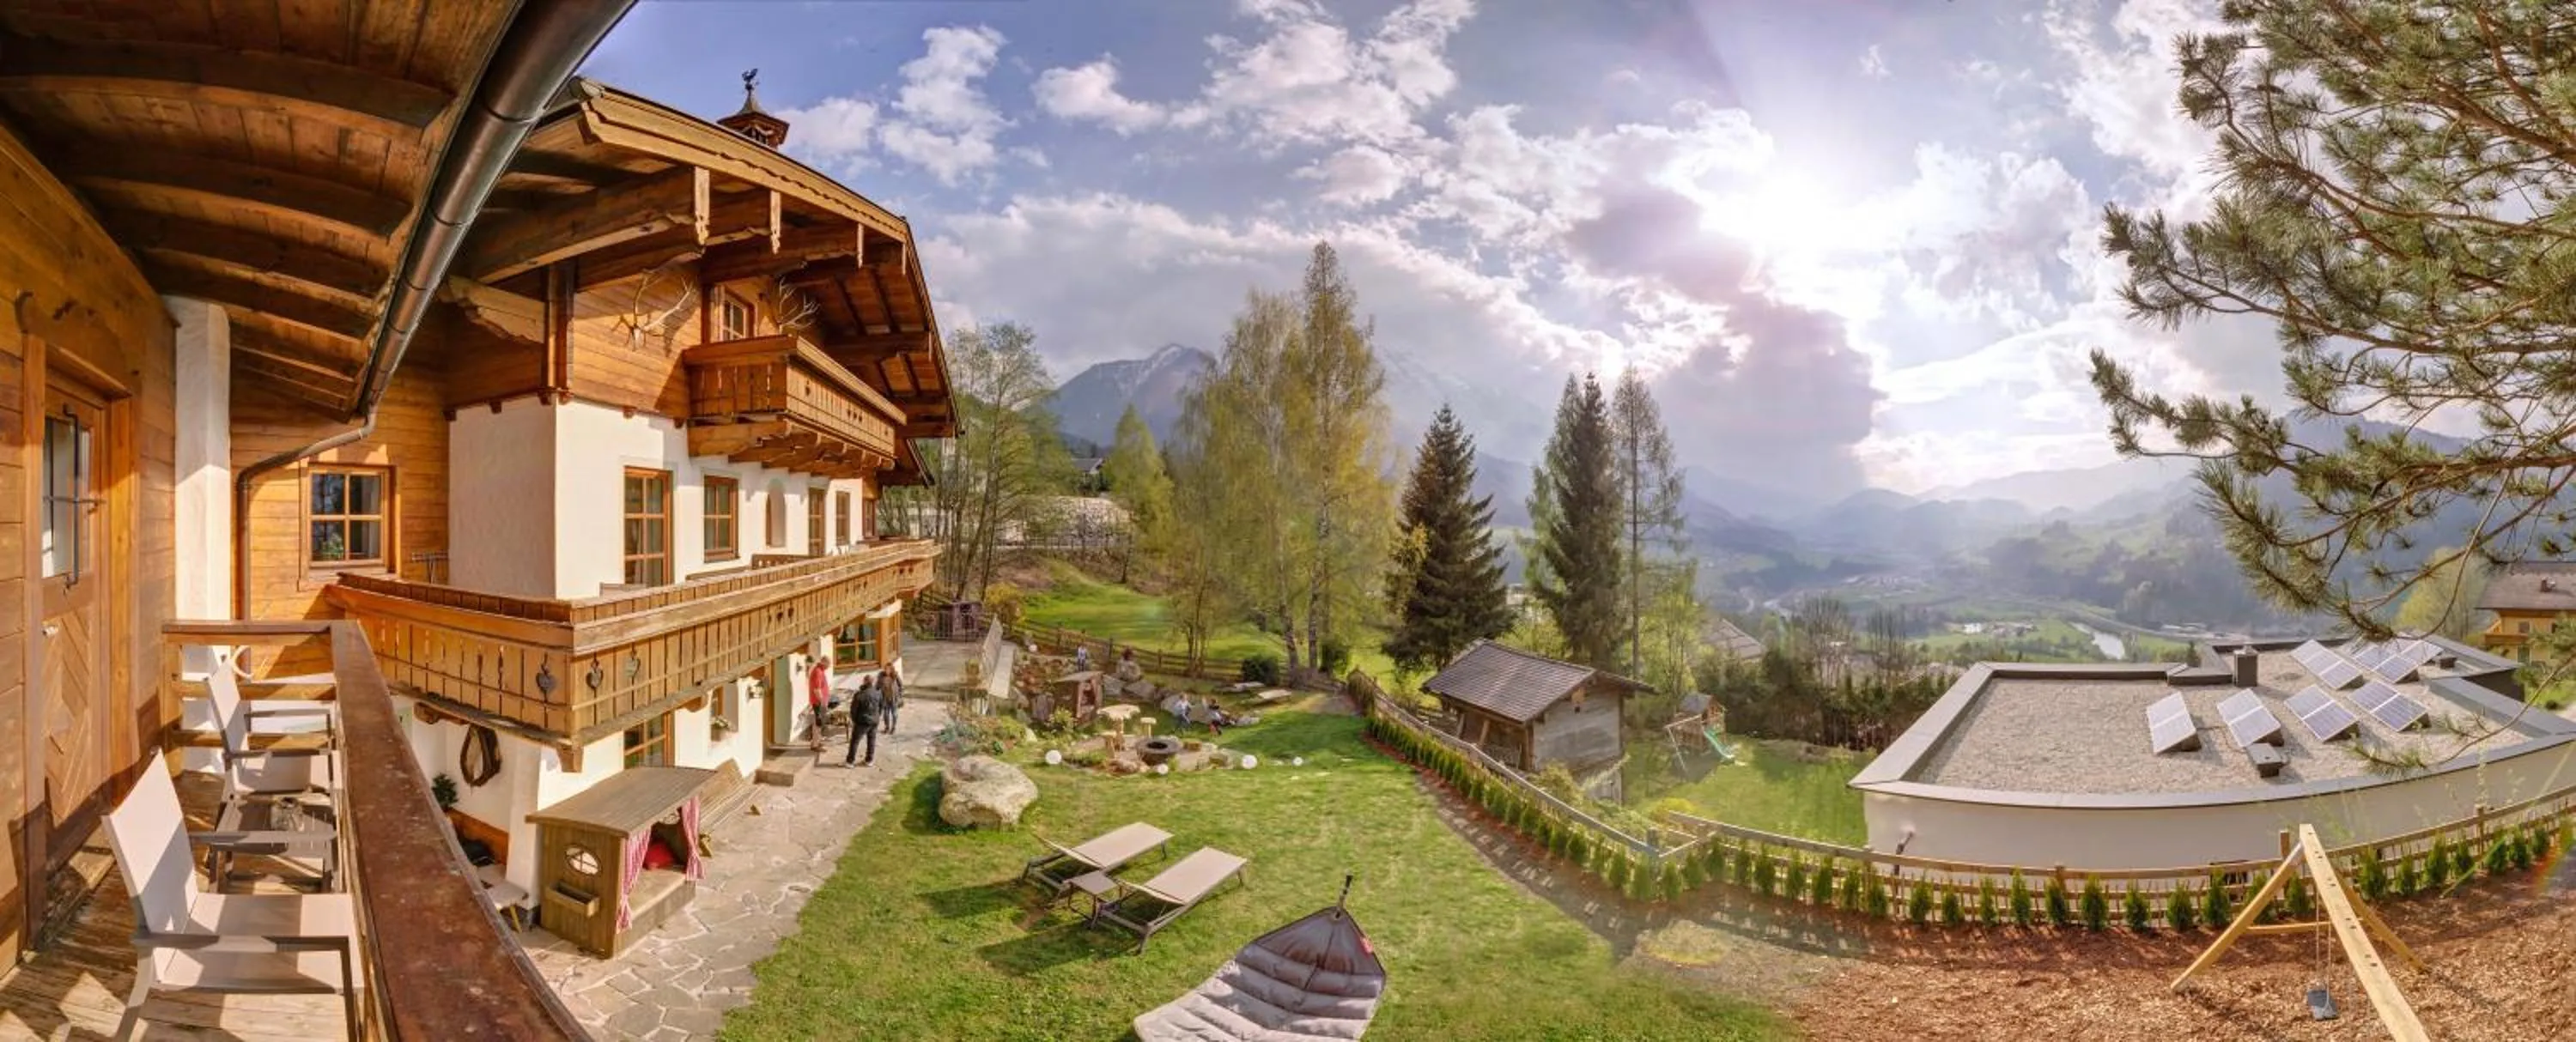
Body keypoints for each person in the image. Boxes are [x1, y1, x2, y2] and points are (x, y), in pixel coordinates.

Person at [845, 675, 881, 767]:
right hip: (874, 721)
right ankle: (869, 760)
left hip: (862, 721)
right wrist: (877, 716)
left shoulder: (860, 694)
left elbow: (853, 710)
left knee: (855, 741)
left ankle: (850, 762)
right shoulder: (878, 693)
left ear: (864, 681)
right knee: (871, 740)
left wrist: (855, 720)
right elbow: (881, 706)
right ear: (873, 682)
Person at [806, 657, 832, 751]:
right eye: (828, 665)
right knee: (818, 723)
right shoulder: (818, 672)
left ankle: (816, 742)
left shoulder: (819, 670)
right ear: (824, 663)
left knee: (818, 723)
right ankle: (815, 745)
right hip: (819, 702)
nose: (829, 667)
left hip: (819, 702)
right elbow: (817, 690)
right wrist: (822, 702)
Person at [878, 665, 903, 735]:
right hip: (885, 698)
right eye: (885, 669)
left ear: (891, 670)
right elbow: (877, 686)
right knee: (886, 714)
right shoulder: (881, 676)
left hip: (894, 698)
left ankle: (893, 728)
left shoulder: (895, 676)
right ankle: (887, 727)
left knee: (894, 714)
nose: (886, 670)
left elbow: (901, 685)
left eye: (888, 669)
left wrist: (900, 695)